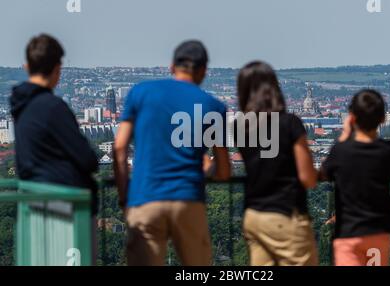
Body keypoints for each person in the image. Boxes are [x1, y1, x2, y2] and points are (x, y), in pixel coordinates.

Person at [114, 40, 231, 266]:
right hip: (188, 199)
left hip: (145, 197)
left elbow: (119, 148)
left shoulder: (141, 92)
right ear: (204, 71)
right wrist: (209, 169)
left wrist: (124, 197)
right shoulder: (214, 106)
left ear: (171, 67)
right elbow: (224, 170)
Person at [10, 34, 99, 262]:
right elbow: (88, 159)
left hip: (33, 202)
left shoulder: (20, 107)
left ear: (27, 67)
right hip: (66, 205)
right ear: (58, 69)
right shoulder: (52, 107)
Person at [235, 61, 318, 266]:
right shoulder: (290, 123)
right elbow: (307, 178)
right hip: (286, 215)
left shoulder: (240, 126)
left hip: (254, 216)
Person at [321, 89, 390, 266]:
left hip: (347, 233)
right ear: (383, 119)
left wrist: (344, 137)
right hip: (376, 232)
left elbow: (324, 173)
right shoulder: (388, 150)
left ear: (352, 118)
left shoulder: (341, 151)